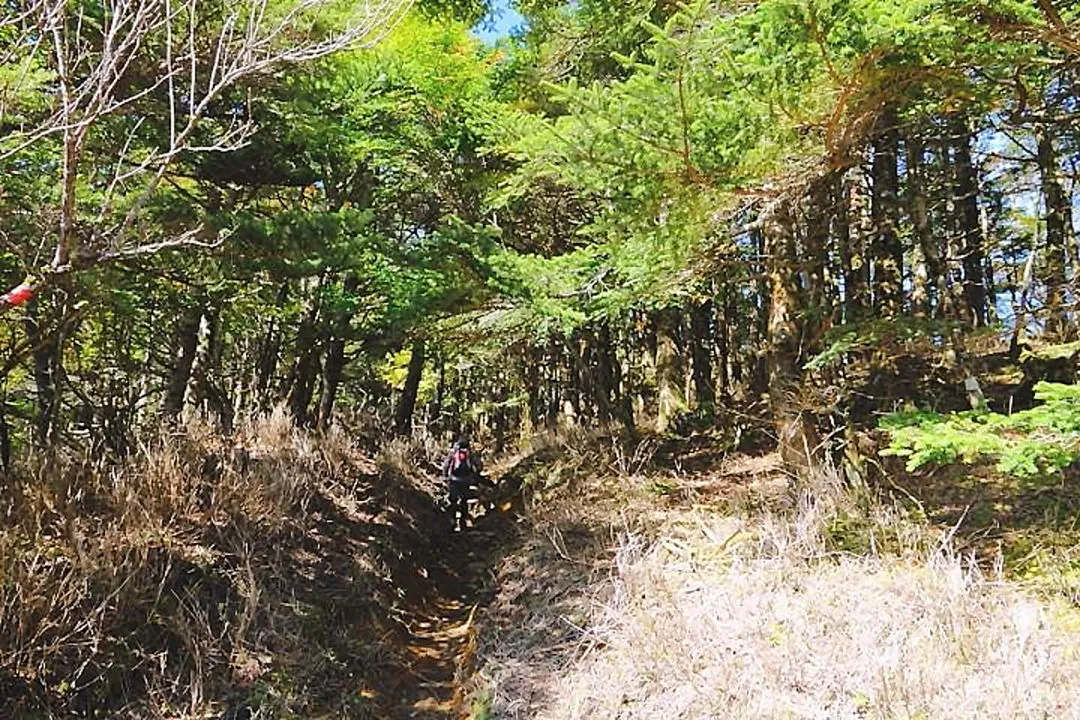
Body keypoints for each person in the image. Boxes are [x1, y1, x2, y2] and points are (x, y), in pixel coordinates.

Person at [443, 436, 492, 532]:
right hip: (466, 480)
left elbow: (446, 464)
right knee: (464, 500)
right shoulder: (470, 453)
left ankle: (452, 520)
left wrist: (445, 476)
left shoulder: (453, 452)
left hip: (453, 479)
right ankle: (463, 521)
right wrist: (475, 475)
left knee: (453, 500)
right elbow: (479, 466)